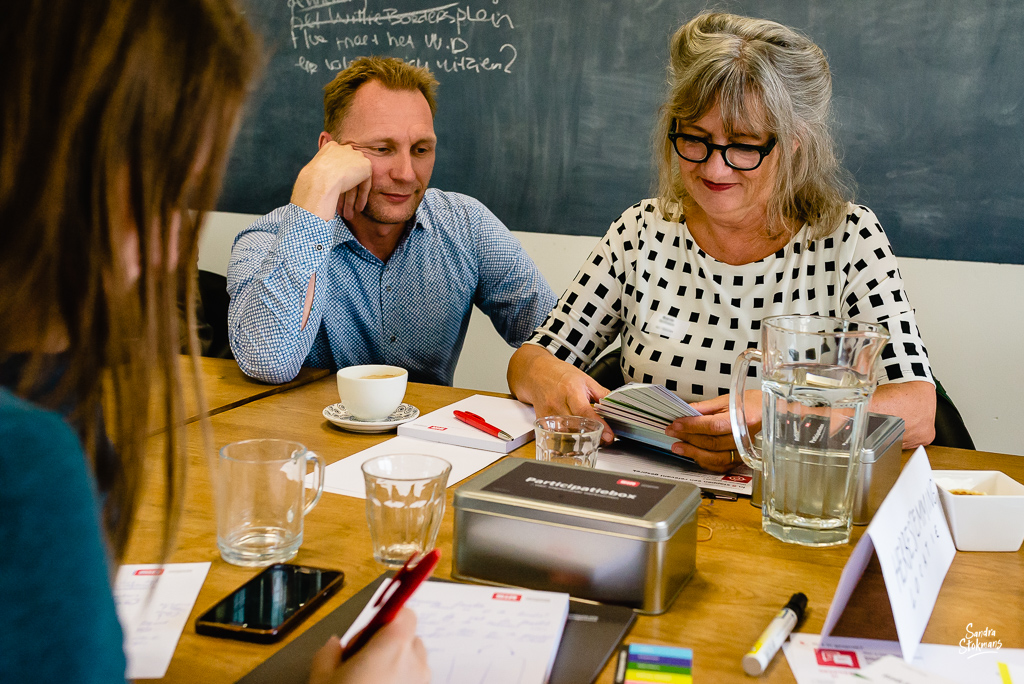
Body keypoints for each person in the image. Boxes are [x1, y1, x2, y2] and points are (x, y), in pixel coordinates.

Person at [0, 1, 427, 682]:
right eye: (166, 190)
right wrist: (312, 206)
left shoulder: (53, 388)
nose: (176, 239)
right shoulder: (29, 460)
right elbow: (267, 360)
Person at [508, 12, 937, 472]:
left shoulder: (848, 239)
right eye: (695, 139)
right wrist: (549, 376)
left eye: (745, 146)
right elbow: (531, 360)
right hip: (651, 489)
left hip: (785, 499)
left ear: (794, 142)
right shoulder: (643, 230)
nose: (715, 169)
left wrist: (781, 419)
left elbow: (917, 410)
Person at [227, 57, 556, 386]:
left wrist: (535, 372)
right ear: (329, 151)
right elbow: (268, 363)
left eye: (421, 149)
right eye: (383, 148)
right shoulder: (266, 239)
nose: (406, 174)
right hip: (311, 434)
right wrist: (316, 191)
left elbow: (560, 342)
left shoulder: (467, 226)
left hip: (429, 433)